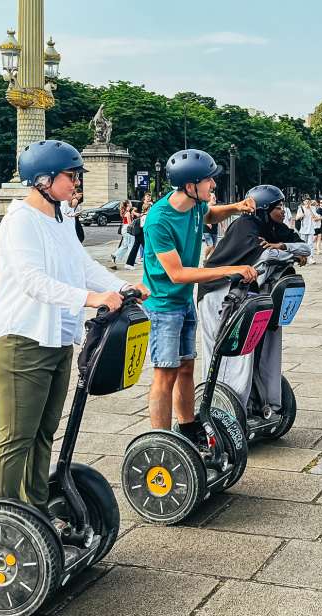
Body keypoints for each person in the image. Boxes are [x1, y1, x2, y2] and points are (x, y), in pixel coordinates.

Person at [0, 139, 147, 512]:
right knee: (16, 435)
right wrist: (92, 299)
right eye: (71, 176)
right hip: (20, 339)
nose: (77, 182)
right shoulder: (20, 221)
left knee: (44, 432)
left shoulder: (62, 218)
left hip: (55, 338)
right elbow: (32, 280)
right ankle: (0, 519)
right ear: (43, 179)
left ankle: (35, 509)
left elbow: (84, 268)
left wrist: (122, 287)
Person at [141, 148, 257, 448]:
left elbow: (210, 214)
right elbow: (177, 274)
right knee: (165, 374)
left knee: (186, 368)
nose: (213, 186)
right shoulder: (159, 219)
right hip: (163, 306)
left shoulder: (194, 206)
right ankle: (161, 442)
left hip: (183, 303)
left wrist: (237, 208)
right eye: (208, 181)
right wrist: (229, 270)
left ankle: (188, 426)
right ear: (190, 185)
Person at [198, 184, 310, 409]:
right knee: (231, 352)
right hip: (220, 293)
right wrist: (288, 254)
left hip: (248, 295)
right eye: (278, 207)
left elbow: (305, 248)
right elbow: (264, 257)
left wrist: (284, 247)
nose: (283, 211)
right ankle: (224, 406)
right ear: (263, 209)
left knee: (254, 350)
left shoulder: (274, 228)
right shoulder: (244, 225)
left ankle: (255, 402)